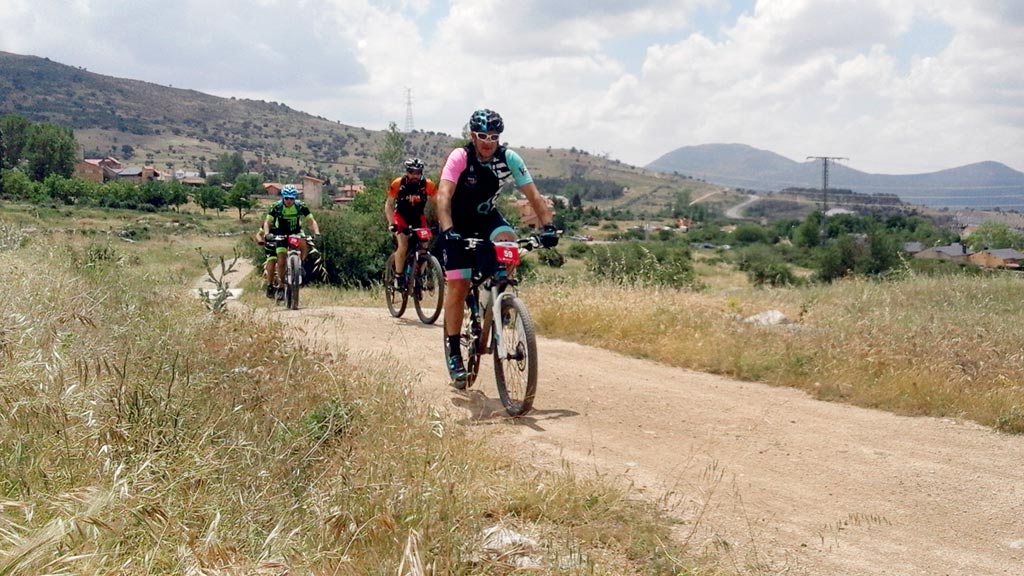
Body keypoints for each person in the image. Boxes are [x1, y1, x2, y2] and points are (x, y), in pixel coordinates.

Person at [435, 108, 559, 382]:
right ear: (472, 135)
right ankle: (454, 349)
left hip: (486, 217)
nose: (488, 142)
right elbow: (443, 196)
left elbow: (534, 195)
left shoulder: (509, 158)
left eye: (493, 136)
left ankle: (499, 300)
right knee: (458, 285)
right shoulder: (460, 157)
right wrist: (448, 230)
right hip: (456, 222)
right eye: (482, 136)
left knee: (510, 245)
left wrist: (548, 227)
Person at [384, 157, 437, 288]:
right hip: (401, 217)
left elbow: (439, 203)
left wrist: (441, 221)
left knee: (424, 246)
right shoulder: (398, 183)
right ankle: (398, 276)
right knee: (403, 244)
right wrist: (392, 224)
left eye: (418, 172)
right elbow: (388, 205)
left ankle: (419, 275)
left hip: (418, 218)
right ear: (407, 172)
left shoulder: (427, 184)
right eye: (412, 172)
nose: (415, 175)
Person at [262, 184, 321, 297]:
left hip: (295, 231)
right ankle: (280, 285)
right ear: (283, 197)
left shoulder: (300, 206)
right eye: (286, 198)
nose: (289, 201)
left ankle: (301, 264)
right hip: (281, 233)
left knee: (304, 242)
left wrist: (317, 232)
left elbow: (311, 221)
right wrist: (267, 234)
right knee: (281, 260)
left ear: (295, 198)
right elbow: (267, 222)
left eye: (292, 198)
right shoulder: (276, 206)